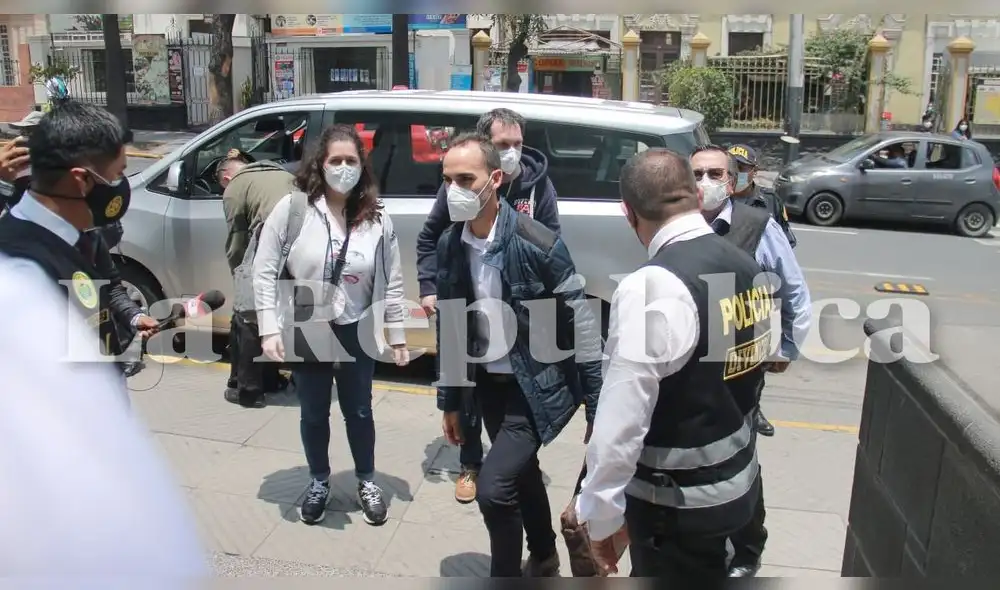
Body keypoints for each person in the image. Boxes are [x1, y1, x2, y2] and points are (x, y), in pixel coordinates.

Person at [0, 100, 206, 574]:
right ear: (82, 180)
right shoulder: (17, 268)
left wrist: (133, 319)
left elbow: (106, 285)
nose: (124, 186)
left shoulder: (83, 233)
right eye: (118, 173)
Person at [576, 148, 768, 580]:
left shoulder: (654, 286)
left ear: (630, 214)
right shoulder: (745, 265)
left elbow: (619, 426)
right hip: (735, 489)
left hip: (676, 510)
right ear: (698, 198)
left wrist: (602, 520)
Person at [435, 133, 602, 577]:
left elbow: (581, 321)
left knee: (494, 490)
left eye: (465, 179)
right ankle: (544, 556)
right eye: (447, 179)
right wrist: (451, 401)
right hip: (490, 385)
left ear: (494, 179)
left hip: (538, 386)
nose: (454, 189)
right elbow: (451, 326)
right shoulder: (452, 244)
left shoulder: (536, 242)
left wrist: (596, 406)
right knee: (523, 474)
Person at [253, 124, 410, 527]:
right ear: (320, 166)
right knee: (314, 412)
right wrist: (269, 328)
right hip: (307, 318)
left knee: (359, 410)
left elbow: (393, 280)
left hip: (357, 323)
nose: (343, 168)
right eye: (335, 161)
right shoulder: (294, 210)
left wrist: (397, 335)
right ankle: (319, 481)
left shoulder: (378, 217)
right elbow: (264, 269)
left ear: (362, 166)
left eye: (351, 161)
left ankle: (367, 480)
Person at [417, 107, 562, 504]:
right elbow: (430, 238)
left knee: (508, 404)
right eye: (502, 145)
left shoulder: (538, 188)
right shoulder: (461, 187)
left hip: (519, 320)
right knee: (467, 388)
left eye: (517, 144)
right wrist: (431, 286)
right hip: (469, 307)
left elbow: (554, 247)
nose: (512, 152)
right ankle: (470, 464)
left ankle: (503, 467)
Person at [691, 145, 812, 577]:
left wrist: (786, 350)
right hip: (691, 367)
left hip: (741, 366)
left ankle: (746, 546)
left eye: (715, 173)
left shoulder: (757, 225)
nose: (705, 181)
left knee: (740, 456)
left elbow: (794, 291)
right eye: (697, 173)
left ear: (732, 179)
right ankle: (704, 534)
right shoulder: (679, 224)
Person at [220, 148, 295, 408]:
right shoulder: (282, 174)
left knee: (249, 315)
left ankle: (249, 391)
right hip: (304, 241)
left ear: (226, 178)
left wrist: (240, 278)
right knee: (277, 313)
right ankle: (272, 379)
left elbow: (236, 242)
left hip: (271, 239)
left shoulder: (234, 187)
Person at [727, 144, 796, 249]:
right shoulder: (718, 199)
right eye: (731, 168)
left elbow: (785, 241)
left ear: (754, 171)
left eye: (741, 168)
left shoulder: (769, 200)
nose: (735, 173)